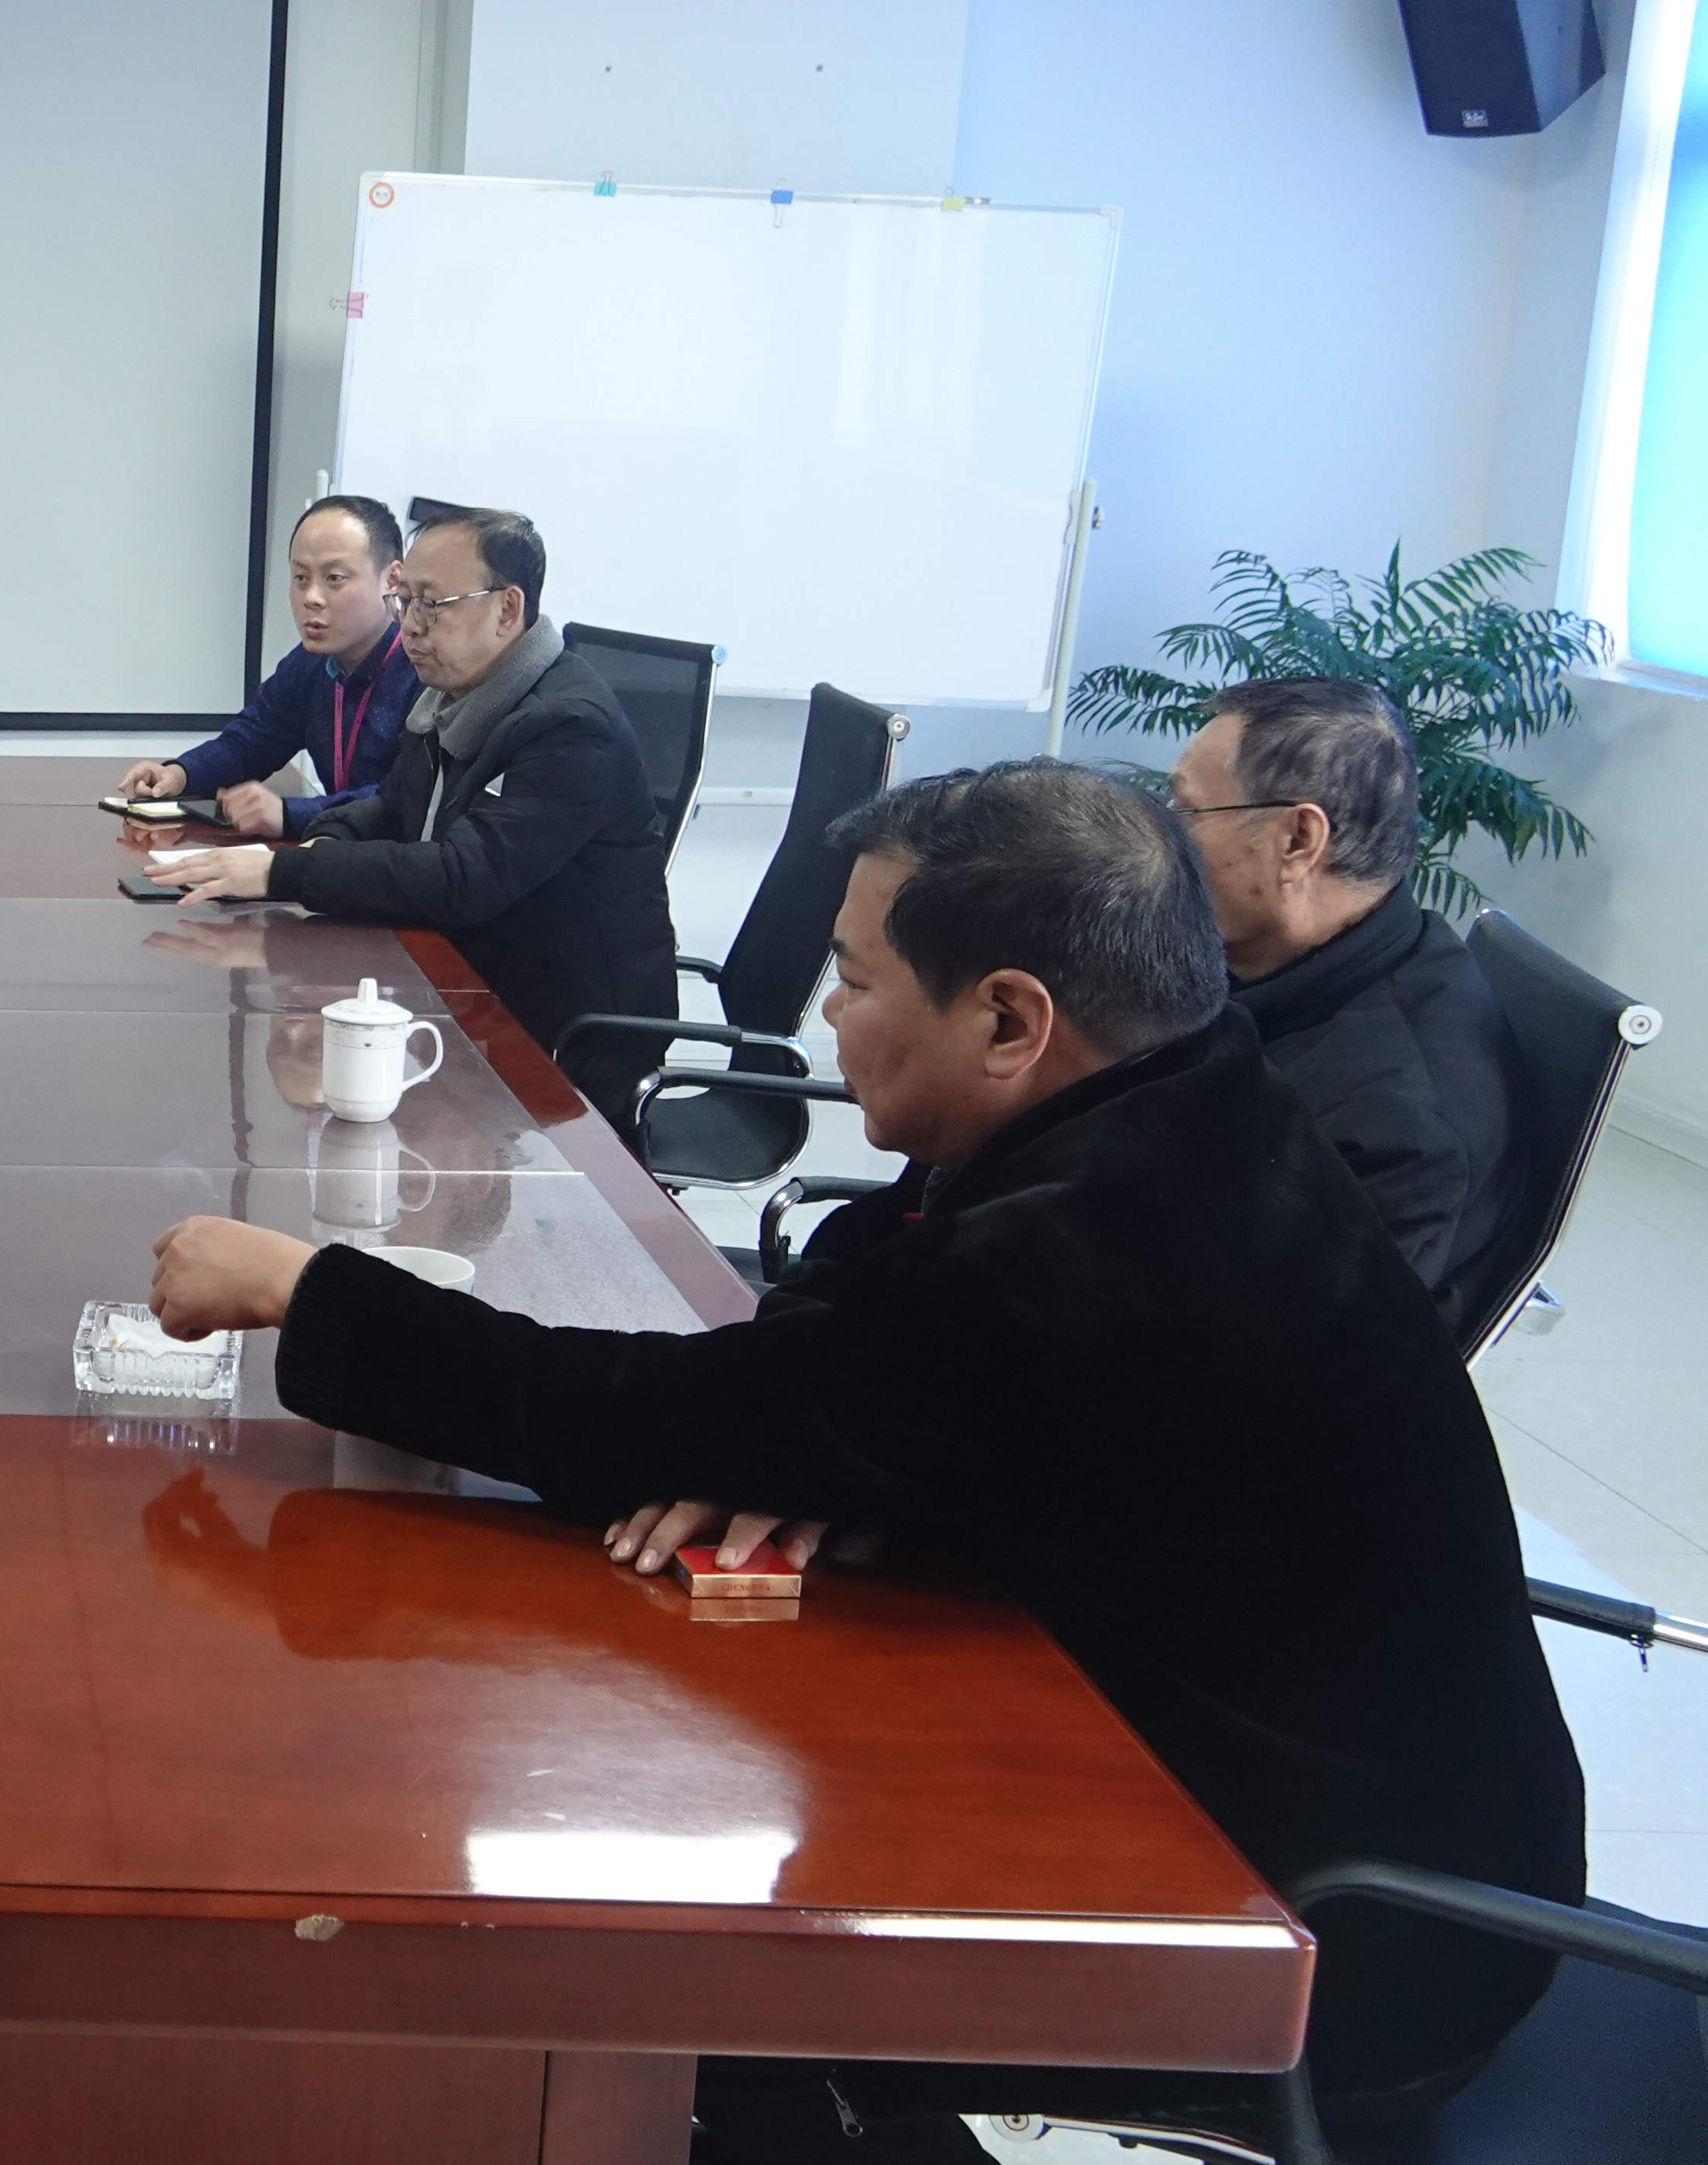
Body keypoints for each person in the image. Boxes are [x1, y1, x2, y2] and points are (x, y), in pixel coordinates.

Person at [146, 760, 1581, 2156]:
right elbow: (875, 1262)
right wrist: (820, 1433)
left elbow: (619, 1416)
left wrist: (303, 1288)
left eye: (853, 978)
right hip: (1353, 1805)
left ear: (1008, 1018)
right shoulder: (1189, 1087)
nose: (827, 1012)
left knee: (659, 1965)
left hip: (1333, 1936)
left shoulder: (1088, 1251)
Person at [147, 500, 676, 1125]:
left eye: (432, 604)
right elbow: (391, 807)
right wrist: (323, 845)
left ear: (507, 609)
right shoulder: (452, 695)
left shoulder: (568, 726)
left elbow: (464, 876)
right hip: (467, 982)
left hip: (565, 1038)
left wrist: (280, 872)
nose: (412, 627)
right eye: (406, 603)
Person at [1171, 676, 1516, 1339]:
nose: (1165, 836)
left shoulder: (1394, 1125)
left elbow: (1263, 1361)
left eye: (1186, 811)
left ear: (1298, 840)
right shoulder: (1279, 961)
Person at [113, 495, 418, 833]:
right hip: (336, 849)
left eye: (334, 578)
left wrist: (289, 814)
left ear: (392, 579)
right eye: (300, 577)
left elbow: (404, 799)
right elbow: (252, 742)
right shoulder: (310, 664)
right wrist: (180, 775)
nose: (311, 597)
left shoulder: (423, 671)